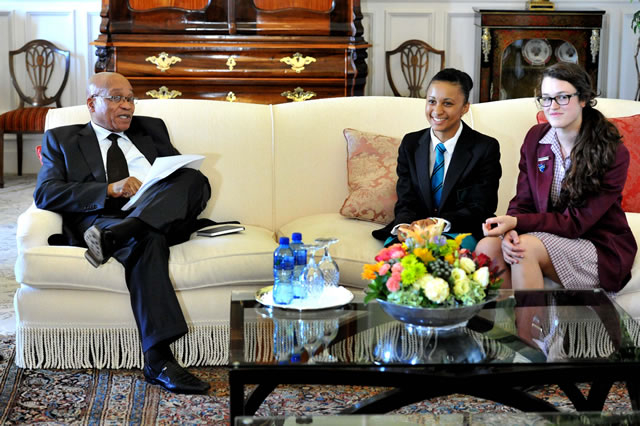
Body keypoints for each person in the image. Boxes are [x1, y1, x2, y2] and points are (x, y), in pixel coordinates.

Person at [34, 72, 212, 394]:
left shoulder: (151, 129)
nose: (127, 105)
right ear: (92, 104)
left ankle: (127, 230)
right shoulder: (62, 139)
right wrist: (109, 189)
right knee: (148, 240)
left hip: (155, 214)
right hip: (103, 220)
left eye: (130, 98)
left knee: (194, 179)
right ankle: (159, 361)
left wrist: (154, 196)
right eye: (116, 98)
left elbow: (177, 179)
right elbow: (46, 193)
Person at [476, 62, 637, 293]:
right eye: (546, 98)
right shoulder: (535, 138)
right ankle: (506, 317)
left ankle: (530, 319)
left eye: (562, 97)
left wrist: (518, 224)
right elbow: (523, 200)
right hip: (546, 235)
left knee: (523, 248)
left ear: (583, 99)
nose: (552, 106)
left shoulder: (612, 152)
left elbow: (576, 223)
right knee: (487, 247)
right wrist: (511, 229)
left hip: (596, 244)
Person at [372, 68, 502, 249]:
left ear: (465, 108)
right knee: (392, 258)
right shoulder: (411, 143)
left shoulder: (485, 148)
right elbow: (406, 200)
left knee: (435, 254)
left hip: (459, 229)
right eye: (432, 101)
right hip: (415, 230)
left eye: (447, 103)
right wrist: (404, 226)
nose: (437, 111)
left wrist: (437, 223)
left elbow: (481, 206)